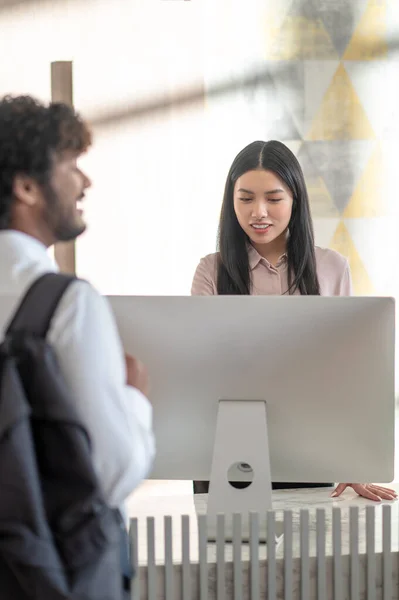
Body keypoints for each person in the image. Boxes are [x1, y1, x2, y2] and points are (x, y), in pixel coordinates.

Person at [0, 95, 155, 586]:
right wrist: (134, 396)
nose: (84, 182)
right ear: (26, 186)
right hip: (54, 571)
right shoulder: (67, 303)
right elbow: (109, 472)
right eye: (69, 165)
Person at [192, 139, 396, 503]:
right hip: (228, 451)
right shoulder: (212, 270)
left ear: (295, 200)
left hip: (310, 448)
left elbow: (343, 374)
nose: (259, 212)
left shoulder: (332, 268)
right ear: (231, 201)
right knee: (230, 557)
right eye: (245, 198)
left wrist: (353, 458)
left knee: (313, 557)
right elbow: (203, 372)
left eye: (273, 198)